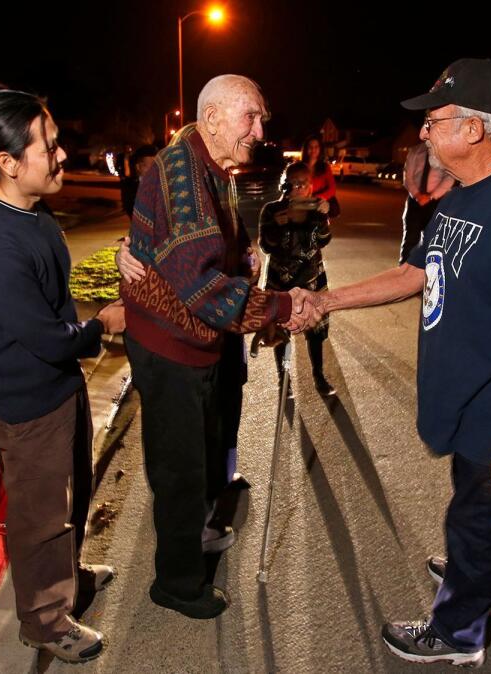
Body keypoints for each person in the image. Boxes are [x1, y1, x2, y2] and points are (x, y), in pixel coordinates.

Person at [297, 58, 491, 667]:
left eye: (434, 121)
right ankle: (482, 581)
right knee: (473, 516)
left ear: (475, 130)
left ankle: (459, 633)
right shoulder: (463, 195)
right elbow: (412, 273)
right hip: (464, 397)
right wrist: (326, 299)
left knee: (476, 519)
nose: (422, 134)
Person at [120, 74, 318, 620]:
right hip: (173, 346)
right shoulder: (183, 174)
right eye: (250, 117)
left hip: (187, 340)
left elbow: (193, 251)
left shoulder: (203, 162)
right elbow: (205, 288)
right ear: (212, 119)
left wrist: (243, 255)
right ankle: (178, 584)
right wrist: (280, 306)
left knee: (200, 453)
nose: (260, 129)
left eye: (261, 118)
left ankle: (196, 532)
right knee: (180, 467)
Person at [0, 90, 123, 664]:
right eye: (48, 146)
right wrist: (102, 323)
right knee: (42, 517)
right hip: (29, 404)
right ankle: (45, 620)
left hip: (58, 388)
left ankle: (66, 574)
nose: (62, 153)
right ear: (7, 162)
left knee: (71, 492)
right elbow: (50, 338)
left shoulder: (31, 213)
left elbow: (51, 309)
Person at [259, 160, 335, 396]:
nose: (299, 188)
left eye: (304, 183)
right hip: (281, 280)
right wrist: (277, 227)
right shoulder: (272, 210)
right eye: (294, 183)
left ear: (311, 186)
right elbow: (265, 245)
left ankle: (319, 377)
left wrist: (323, 217)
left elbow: (324, 240)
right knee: (282, 333)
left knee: (315, 332)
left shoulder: (316, 209)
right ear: (285, 185)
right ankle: (284, 381)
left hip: (312, 278)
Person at [399, 142, 455, 265]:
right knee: (410, 239)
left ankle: (428, 274)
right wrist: (418, 195)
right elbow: (408, 176)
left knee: (433, 240)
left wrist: (431, 196)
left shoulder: (446, 151)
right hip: (415, 201)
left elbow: (449, 177)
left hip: (437, 201)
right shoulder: (416, 151)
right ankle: (404, 270)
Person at [302, 135, 338, 214]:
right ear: (305, 149)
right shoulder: (300, 167)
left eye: (316, 147)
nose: (313, 149)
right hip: (302, 205)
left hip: (319, 205)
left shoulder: (325, 167)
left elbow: (332, 188)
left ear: (320, 149)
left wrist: (318, 197)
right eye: (310, 147)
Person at [120, 144, 157, 219]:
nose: (151, 170)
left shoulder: (163, 184)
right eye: (147, 166)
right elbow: (130, 209)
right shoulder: (130, 187)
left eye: (154, 166)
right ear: (138, 167)